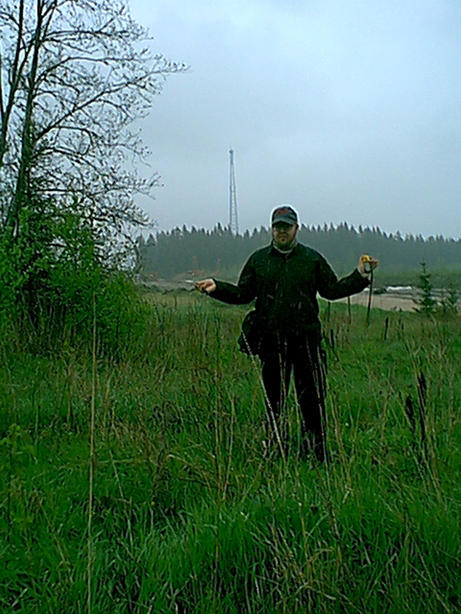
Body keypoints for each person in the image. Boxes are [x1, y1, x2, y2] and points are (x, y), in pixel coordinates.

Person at [196, 205, 378, 462]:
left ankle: (316, 454)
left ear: (296, 229)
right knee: (274, 403)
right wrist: (217, 287)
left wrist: (360, 275)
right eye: (277, 227)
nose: (282, 232)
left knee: (312, 402)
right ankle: (274, 450)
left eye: (287, 227)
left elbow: (332, 290)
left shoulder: (311, 260)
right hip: (271, 344)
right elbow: (243, 294)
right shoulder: (259, 260)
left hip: (306, 343)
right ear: (272, 229)